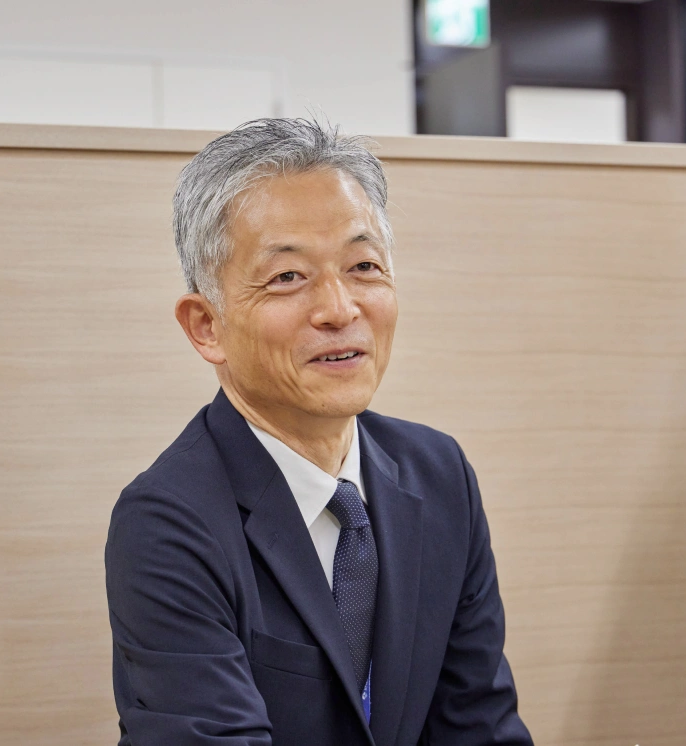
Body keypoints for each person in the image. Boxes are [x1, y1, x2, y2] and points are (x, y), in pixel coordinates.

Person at [105, 118, 533, 746]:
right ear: (207, 326)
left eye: (364, 265)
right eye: (288, 277)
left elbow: (480, 727)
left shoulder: (440, 475)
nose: (339, 308)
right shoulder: (167, 523)